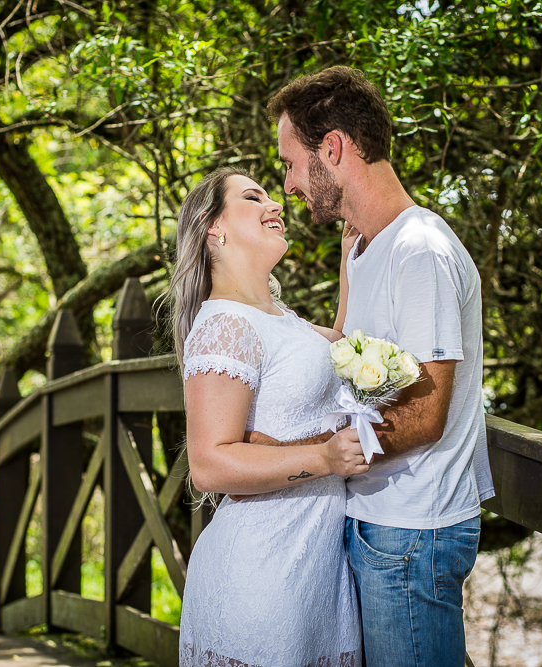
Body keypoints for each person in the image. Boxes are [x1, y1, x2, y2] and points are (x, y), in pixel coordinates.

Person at [265, 66, 495, 667]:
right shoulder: (369, 247)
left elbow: (422, 415)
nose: (288, 184)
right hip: (377, 523)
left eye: (290, 163)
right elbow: (342, 348)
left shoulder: (420, 250)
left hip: (413, 533)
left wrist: (296, 455)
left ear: (333, 148)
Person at [169, 167, 365, 667]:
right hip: (260, 579)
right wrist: (325, 457)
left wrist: (349, 262)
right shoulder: (224, 324)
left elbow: (344, 349)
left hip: (314, 578)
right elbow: (210, 465)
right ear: (215, 227)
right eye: (253, 198)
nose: (275, 204)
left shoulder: (279, 319)